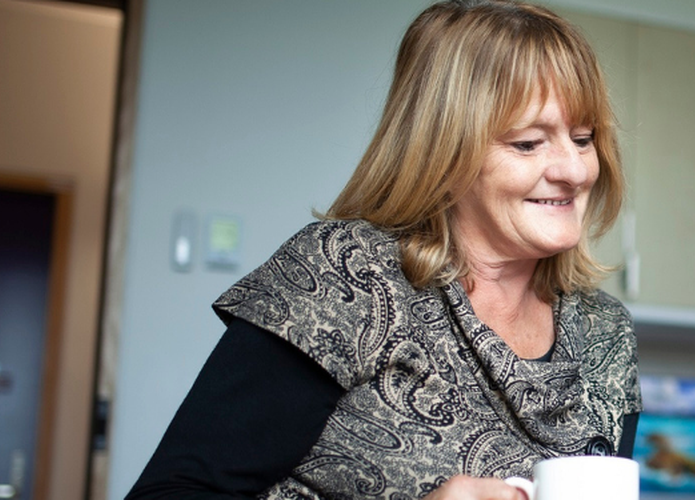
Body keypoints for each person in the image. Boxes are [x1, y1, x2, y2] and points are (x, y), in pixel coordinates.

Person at [128, 1, 636, 498]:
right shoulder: (346, 274)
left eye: (584, 138)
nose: (575, 170)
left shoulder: (604, 333)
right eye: (528, 143)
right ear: (445, 149)